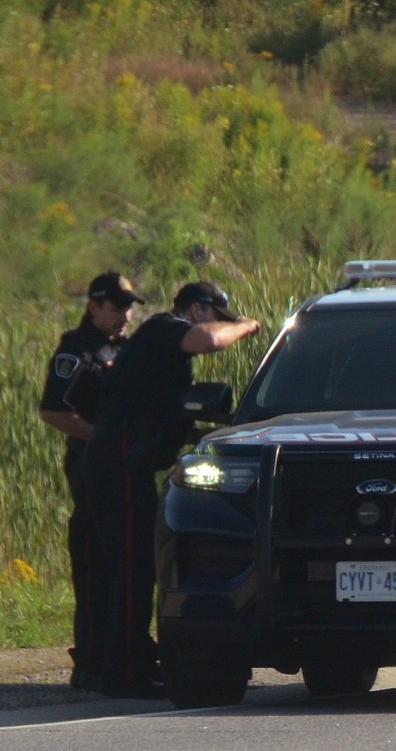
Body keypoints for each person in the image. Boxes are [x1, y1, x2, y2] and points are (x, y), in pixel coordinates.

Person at [82, 281, 261, 699]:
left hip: (128, 456)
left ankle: (135, 662)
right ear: (198, 310)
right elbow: (210, 340)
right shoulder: (166, 326)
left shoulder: (163, 351)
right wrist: (246, 326)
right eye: (217, 316)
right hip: (121, 455)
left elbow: (164, 415)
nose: (221, 327)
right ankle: (123, 674)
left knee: (137, 567)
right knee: (131, 569)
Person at [38, 272, 144, 693]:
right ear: (94, 306)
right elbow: (53, 410)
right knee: (95, 568)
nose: (125, 315)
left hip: (123, 473)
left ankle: (126, 655)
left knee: (126, 569)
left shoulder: (125, 349)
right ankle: (91, 662)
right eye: (117, 307)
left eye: (129, 306)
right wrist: (104, 440)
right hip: (91, 473)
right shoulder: (75, 351)